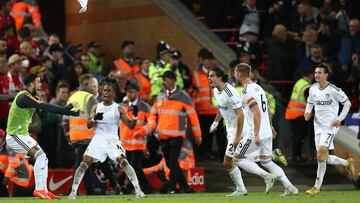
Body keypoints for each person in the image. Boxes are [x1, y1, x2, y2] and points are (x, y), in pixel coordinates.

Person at [5, 73, 79, 199]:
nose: (40, 84)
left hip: (23, 135)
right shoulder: (23, 97)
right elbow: (46, 106)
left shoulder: (31, 97)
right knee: (40, 156)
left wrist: (68, 110)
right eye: (38, 82)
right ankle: (39, 189)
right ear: (31, 84)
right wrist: (67, 110)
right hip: (14, 136)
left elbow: (47, 106)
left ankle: (44, 190)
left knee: (43, 158)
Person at [68, 82, 145, 199]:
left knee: (123, 162)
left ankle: (138, 190)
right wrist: (94, 118)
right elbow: (89, 125)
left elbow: (130, 125)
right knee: (84, 162)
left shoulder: (118, 108)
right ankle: (73, 192)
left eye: (109, 91)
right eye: (104, 90)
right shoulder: (96, 107)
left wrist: (134, 117)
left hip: (112, 140)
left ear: (114, 94)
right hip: (98, 139)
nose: (105, 93)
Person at [208, 66, 276, 196]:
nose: (209, 78)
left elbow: (241, 115)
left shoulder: (230, 92)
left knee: (229, 161)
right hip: (231, 130)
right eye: (209, 76)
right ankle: (265, 169)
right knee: (235, 159)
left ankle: (254, 182)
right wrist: (215, 123)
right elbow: (221, 107)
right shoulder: (216, 91)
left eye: (211, 76)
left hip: (240, 129)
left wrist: (237, 136)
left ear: (220, 77)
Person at [233, 63, 298, 196]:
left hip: (255, 134)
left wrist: (256, 133)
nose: (234, 74)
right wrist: (270, 126)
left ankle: (266, 176)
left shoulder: (246, 92)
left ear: (239, 74)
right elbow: (267, 108)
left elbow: (256, 112)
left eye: (235, 72)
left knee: (236, 158)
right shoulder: (259, 88)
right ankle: (290, 187)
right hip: (266, 132)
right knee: (266, 161)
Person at [135, 70, 201, 193]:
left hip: (177, 136)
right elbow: (153, 117)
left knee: (172, 161)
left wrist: (198, 134)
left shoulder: (183, 97)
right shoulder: (160, 96)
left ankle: (171, 187)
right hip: (163, 137)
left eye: (165, 79)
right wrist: (146, 129)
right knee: (171, 164)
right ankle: (186, 187)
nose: (163, 81)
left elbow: (193, 117)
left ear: (172, 80)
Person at [304, 63, 355, 195]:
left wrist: (339, 119)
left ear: (326, 75)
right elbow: (310, 102)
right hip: (317, 126)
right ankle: (346, 163)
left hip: (330, 127)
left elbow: (347, 103)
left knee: (321, 154)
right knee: (322, 157)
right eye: (315, 73)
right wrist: (307, 112)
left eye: (319, 73)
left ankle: (316, 187)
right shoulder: (313, 89)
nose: (316, 75)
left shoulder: (333, 89)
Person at [120, 82, 152, 193]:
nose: (129, 94)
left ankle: (128, 187)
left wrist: (142, 131)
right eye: (128, 91)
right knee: (135, 166)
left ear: (137, 93)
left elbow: (152, 123)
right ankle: (146, 185)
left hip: (138, 143)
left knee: (132, 166)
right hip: (125, 143)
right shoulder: (122, 106)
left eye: (132, 91)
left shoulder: (145, 106)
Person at [285, 67, 314, 162]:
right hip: (299, 114)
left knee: (298, 135)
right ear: (310, 74)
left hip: (292, 112)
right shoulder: (307, 86)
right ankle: (296, 156)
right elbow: (309, 100)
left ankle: (296, 155)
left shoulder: (299, 82)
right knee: (300, 135)